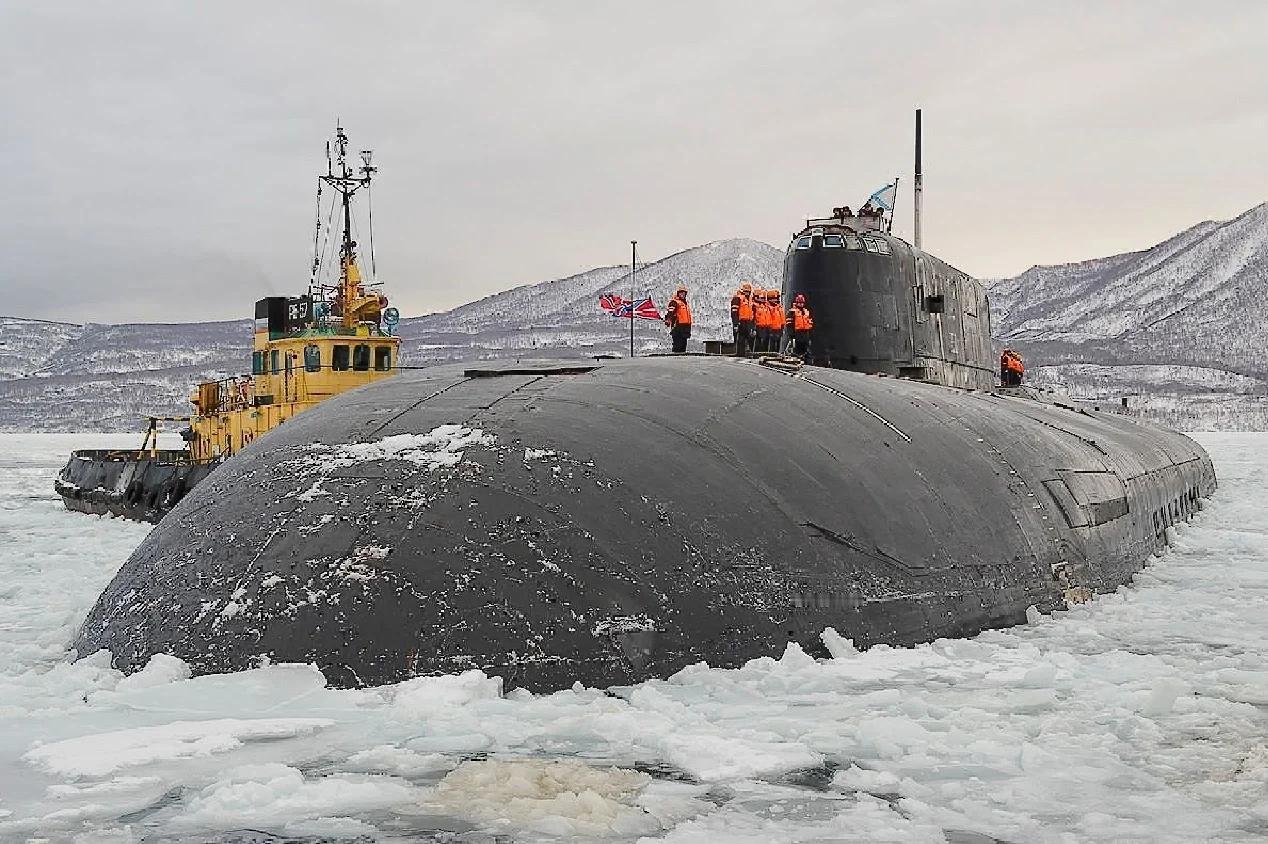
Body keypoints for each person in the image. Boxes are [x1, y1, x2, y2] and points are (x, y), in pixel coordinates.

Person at [664, 285, 692, 353]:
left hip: (685, 329)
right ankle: (675, 361)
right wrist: (668, 320)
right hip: (678, 328)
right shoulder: (674, 302)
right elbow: (670, 312)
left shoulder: (685, 304)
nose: (683, 294)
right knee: (677, 347)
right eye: (681, 292)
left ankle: (682, 362)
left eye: (684, 293)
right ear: (678, 293)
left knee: (683, 347)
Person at [730, 282, 756, 356]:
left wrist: (753, 325)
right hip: (741, 322)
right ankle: (740, 355)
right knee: (740, 340)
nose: (747, 293)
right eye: (746, 291)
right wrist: (735, 323)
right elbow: (734, 312)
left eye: (748, 291)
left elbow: (753, 313)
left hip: (749, 322)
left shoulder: (751, 300)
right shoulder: (737, 298)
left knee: (750, 339)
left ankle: (751, 354)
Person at [787, 293, 813, 359]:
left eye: (802, 303)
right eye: (799, 302)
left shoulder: (806, 311)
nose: (801, 304)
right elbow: (789, 324)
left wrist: (809, 334)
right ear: (796, 302)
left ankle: (806, 363)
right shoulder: (792, 312)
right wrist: (791, 336)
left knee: (805, 351)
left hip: (805, 334)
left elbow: (810, 323)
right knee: (797, 351)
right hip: (797, 333)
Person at [768, 289, 785, 353]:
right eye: (774, 298)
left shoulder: (779, 307)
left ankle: (777, 353)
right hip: (772, 328)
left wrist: (782, 326)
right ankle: (770, 354)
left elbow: (782, 318)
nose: (776, 300)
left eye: (777, 298)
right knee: (771, 344)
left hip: (779, 328)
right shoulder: (768, 307)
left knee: (778, 344)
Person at [753, 289, 771, 353]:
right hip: (759, 326)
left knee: (766, 341)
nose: (763, 299)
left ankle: (764, 352)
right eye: (761, 298)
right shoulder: (755, 306)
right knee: (758, 340)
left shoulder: (767, 306)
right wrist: (754, 327)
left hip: (766, 326)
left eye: (764, 298)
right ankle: (756, 353)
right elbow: (753, 317)